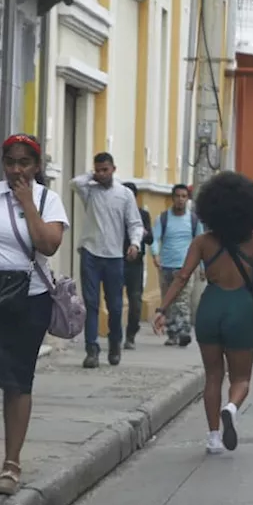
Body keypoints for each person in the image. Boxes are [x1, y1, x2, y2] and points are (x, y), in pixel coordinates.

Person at [0, 134, 68, 496]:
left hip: (30, 299)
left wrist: (28, 204)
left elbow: (49, 244)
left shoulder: (48, 199)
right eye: (11, 161)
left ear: (37, 166)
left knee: (18, 381)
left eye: (24, 162)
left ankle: (12, 462)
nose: (17, 169)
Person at [151, 171, 253, 454]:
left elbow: (182, 277)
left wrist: (162, 309)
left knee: (212, 376)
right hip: (241, 308)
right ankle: (231, 408)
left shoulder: (203, 242)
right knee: (241, 379)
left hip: (210, 307)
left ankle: (212, 438)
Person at [71, 153, 143, 367]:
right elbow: (75, 183)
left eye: (106, 170)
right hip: (90, 253)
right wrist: (91, 175)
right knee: (91, 303)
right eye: (98, 170)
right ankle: (91, 349)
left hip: (114, 257)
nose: (102, 174)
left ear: (114, 169)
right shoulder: (89, 191)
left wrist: (135, 243)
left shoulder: (124, 194)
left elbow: (135, 223)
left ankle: (114, 344)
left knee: (116, 305)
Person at [152, 184, 204, 348]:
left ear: (187, 199)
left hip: (186, 267)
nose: (181, 200)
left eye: (184, 196)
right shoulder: (163, 218)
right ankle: (172, 334)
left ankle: (184, 332)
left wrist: (202, 266)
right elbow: (154, 238)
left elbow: (201, 243)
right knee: (168, 300)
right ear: (173, 198)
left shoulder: (194, 220)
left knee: (182, 301)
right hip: (166, 265)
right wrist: (155, 254)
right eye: (178, 196)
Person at [121, 182, 154, 349]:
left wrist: (144, 234)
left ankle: (131, 334)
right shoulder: (116, 214)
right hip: (117, 261)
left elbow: (150, 238)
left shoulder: (143, 215)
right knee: (114, 300)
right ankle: (116, 334)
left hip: (135, 264)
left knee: (135, 300)